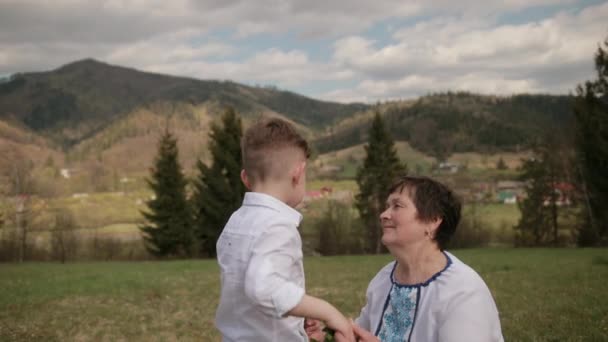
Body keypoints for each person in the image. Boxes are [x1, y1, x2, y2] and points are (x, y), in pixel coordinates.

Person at [307, 176, 504, 341]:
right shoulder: (384, 279)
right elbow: (362, 333)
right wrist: (326, 335)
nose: (384, 215)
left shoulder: (463, 293)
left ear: (433, 220)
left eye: (397, 206)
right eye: (387, 206)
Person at [215, 117, 354, 342]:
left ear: (245, 178)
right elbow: (263, 288)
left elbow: (249, 294)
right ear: (298, 174)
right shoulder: (278, 226)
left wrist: (299, 313)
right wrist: (327, 311)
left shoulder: (237, 221)